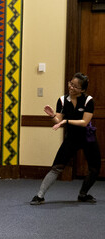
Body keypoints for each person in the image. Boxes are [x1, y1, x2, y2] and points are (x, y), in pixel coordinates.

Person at [31, 72, 101, 205]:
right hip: (72, 138)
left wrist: (66, 121)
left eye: (75, 86)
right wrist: (52, 116)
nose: (71, 87)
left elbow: (84, 122)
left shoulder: (88, 100)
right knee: (57, 167)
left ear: (83, 89)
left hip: (87, 137)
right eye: (71, 84)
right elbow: (58, 120)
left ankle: (83, 194)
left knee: (95, 167)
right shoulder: (62, 100)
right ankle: (39, 196)